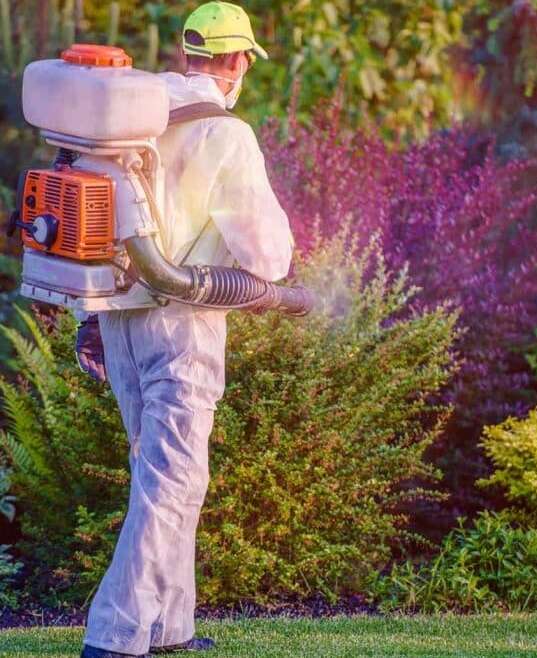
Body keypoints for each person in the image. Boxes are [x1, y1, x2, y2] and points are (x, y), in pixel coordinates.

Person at [79, 3, 294, 657]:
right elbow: (264, 255)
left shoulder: (130, 124)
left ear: (186, 54)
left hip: (118, 317)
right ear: (236, 63)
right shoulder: (225, 134)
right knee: (173, 478)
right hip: (184, 320)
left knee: (161, 472)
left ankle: (167, 628)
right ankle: (115, 636)